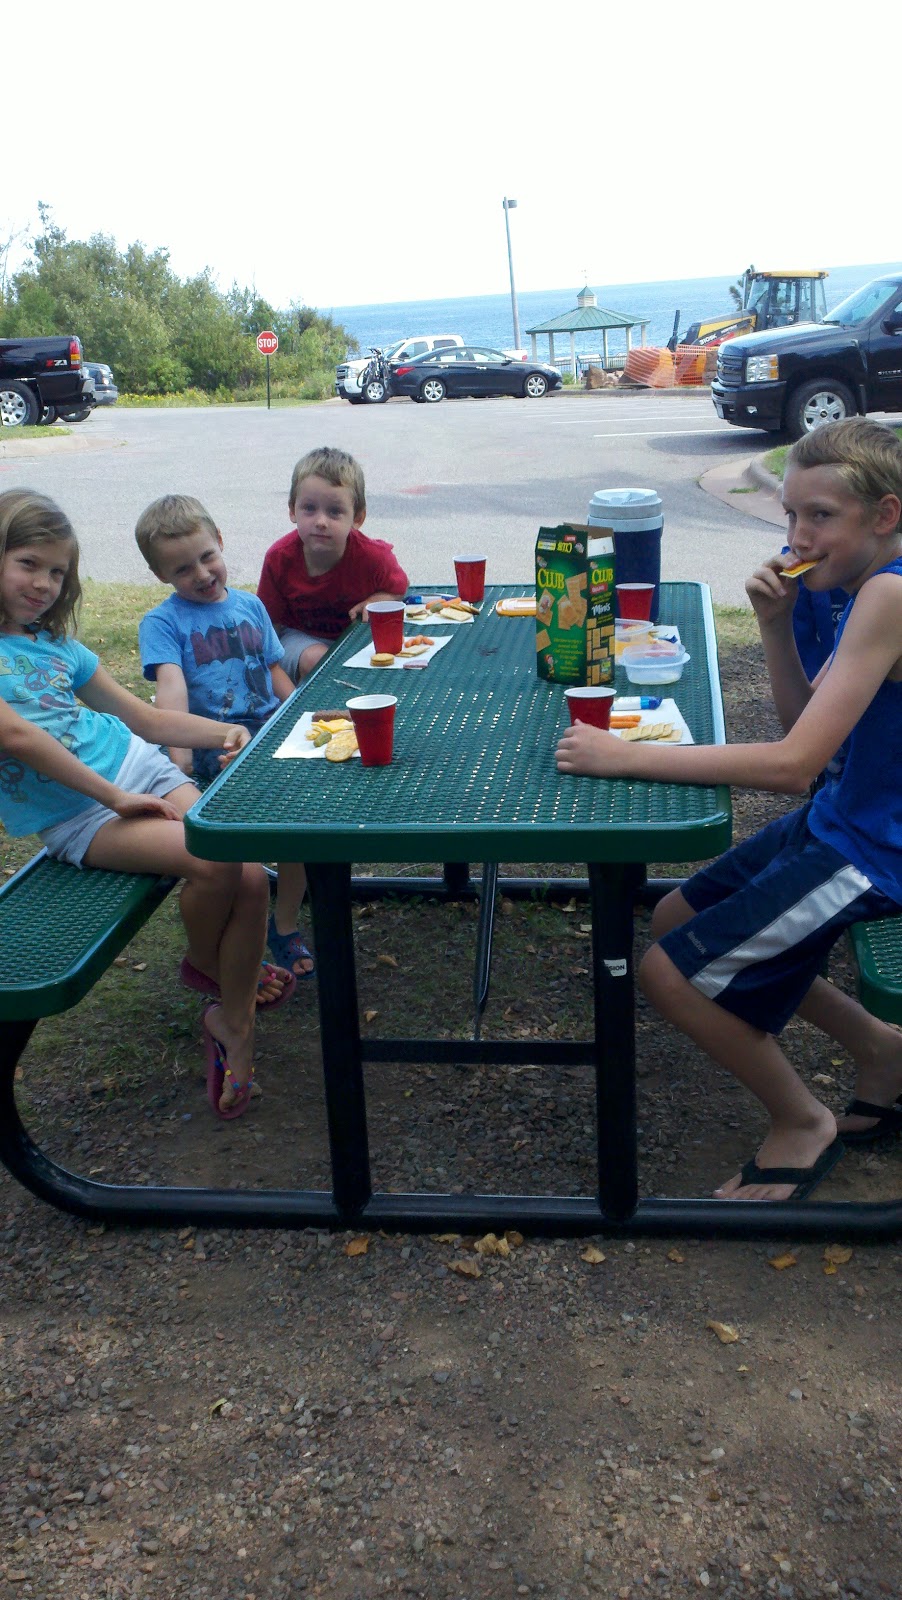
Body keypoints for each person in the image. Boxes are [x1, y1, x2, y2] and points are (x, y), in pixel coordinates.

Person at [555, 418, 902, 1202]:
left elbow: (790, 767)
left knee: (669, 974)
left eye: (821, 516)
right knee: (677, 918)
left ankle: (800, 1120)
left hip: (878, 849)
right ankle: (883, 1050)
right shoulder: (861, 587)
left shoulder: (888, 594)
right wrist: (776, 623)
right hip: (843, 815)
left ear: (885, 515)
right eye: (791, 514)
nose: (797, 536)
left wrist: (627, 755)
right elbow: (804, 728)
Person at [0, 487, 283, 1120]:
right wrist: (116, 798)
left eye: (57, 572)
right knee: (216, 862)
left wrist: (225, 732)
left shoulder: (55, 646)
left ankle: (232, 1021)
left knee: (248, 872)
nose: (44, 584)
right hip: (81, 815)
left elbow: (144, 720)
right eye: (28, 564)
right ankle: (210, 968)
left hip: (137, 767)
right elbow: (17, 736)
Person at [135, 493, 314, 983]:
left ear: (220, 540)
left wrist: (302, 715)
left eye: (206, 556)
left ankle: (285, 924)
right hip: (215, 753)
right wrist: (179, 759)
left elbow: (273, 671)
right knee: (237, 860)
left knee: (296, 830)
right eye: (182, 568)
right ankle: (234, 946)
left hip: (269, 741)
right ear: (160, 574)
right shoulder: (163, 623)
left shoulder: (250, 605)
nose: (201, 574)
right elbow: (171, 687)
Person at [257, 446, 408, 683]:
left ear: (357, 518)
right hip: (300, 638)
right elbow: (268, 627)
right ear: (292, 510)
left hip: (355, 640)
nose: (320, 521)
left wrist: (377, 599)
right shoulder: (279, 558)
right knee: (317, 659)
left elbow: (398, 587)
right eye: (309, 508)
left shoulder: (372, 556)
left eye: (335, 511)